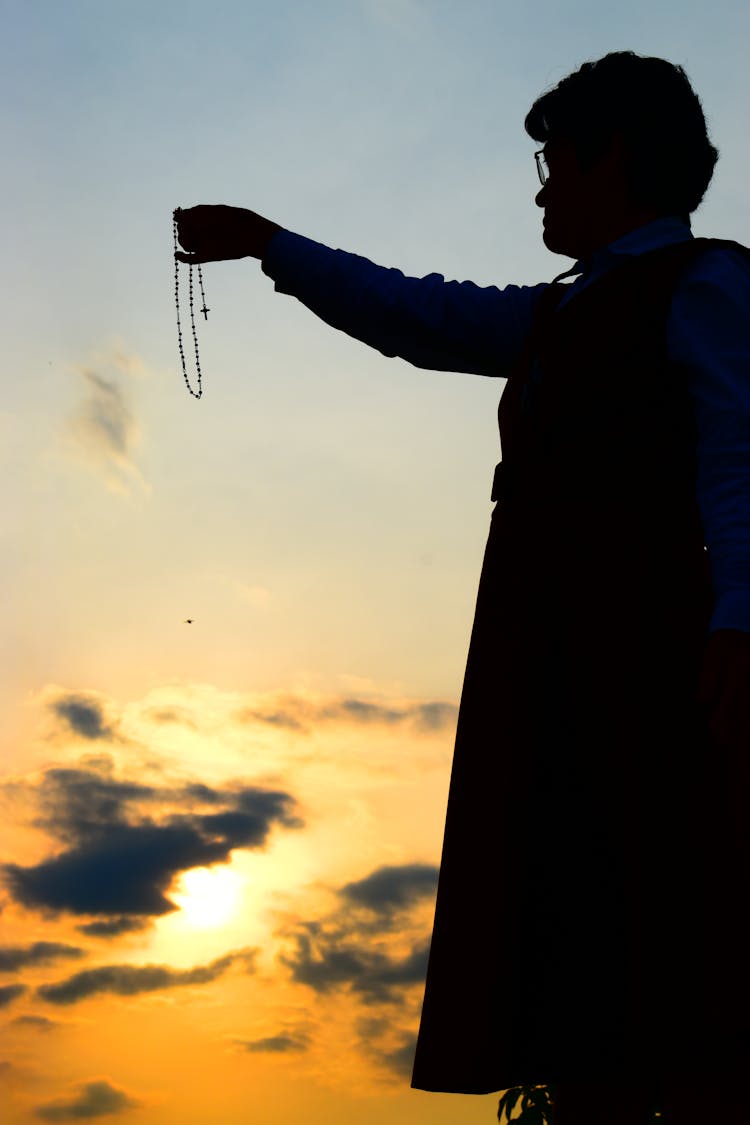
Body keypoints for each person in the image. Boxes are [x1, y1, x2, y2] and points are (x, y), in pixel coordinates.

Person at [174, 51, 750, 1125]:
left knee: (657, 909)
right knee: (576, 918)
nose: (539, 187)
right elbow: (418, 314)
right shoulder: (562, 313)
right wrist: (271, 245)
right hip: (555, 651)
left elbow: (737, 453)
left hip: (642, 647)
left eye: (551, 160)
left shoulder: (705, 286)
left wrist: (741, 619)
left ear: (610, 154)